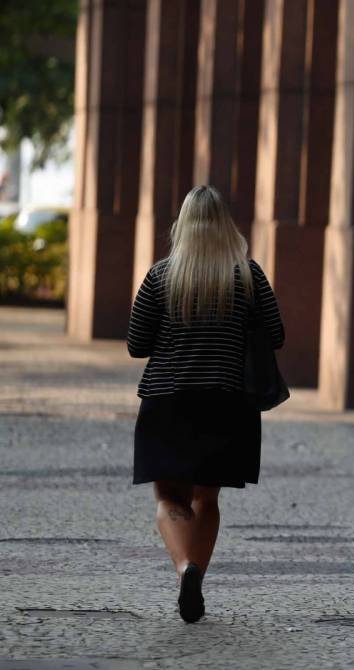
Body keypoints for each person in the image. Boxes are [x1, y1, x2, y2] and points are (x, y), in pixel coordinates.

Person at [127, 185, 285, 623]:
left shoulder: (161, 276)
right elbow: (276, 336)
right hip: (226, 401)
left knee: (168, 497)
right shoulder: (248, 275)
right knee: (207, 497)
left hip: (167, 400)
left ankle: (185, 569)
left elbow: (136, 344)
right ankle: (195, 573)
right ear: (226, 226)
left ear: (183, 225)